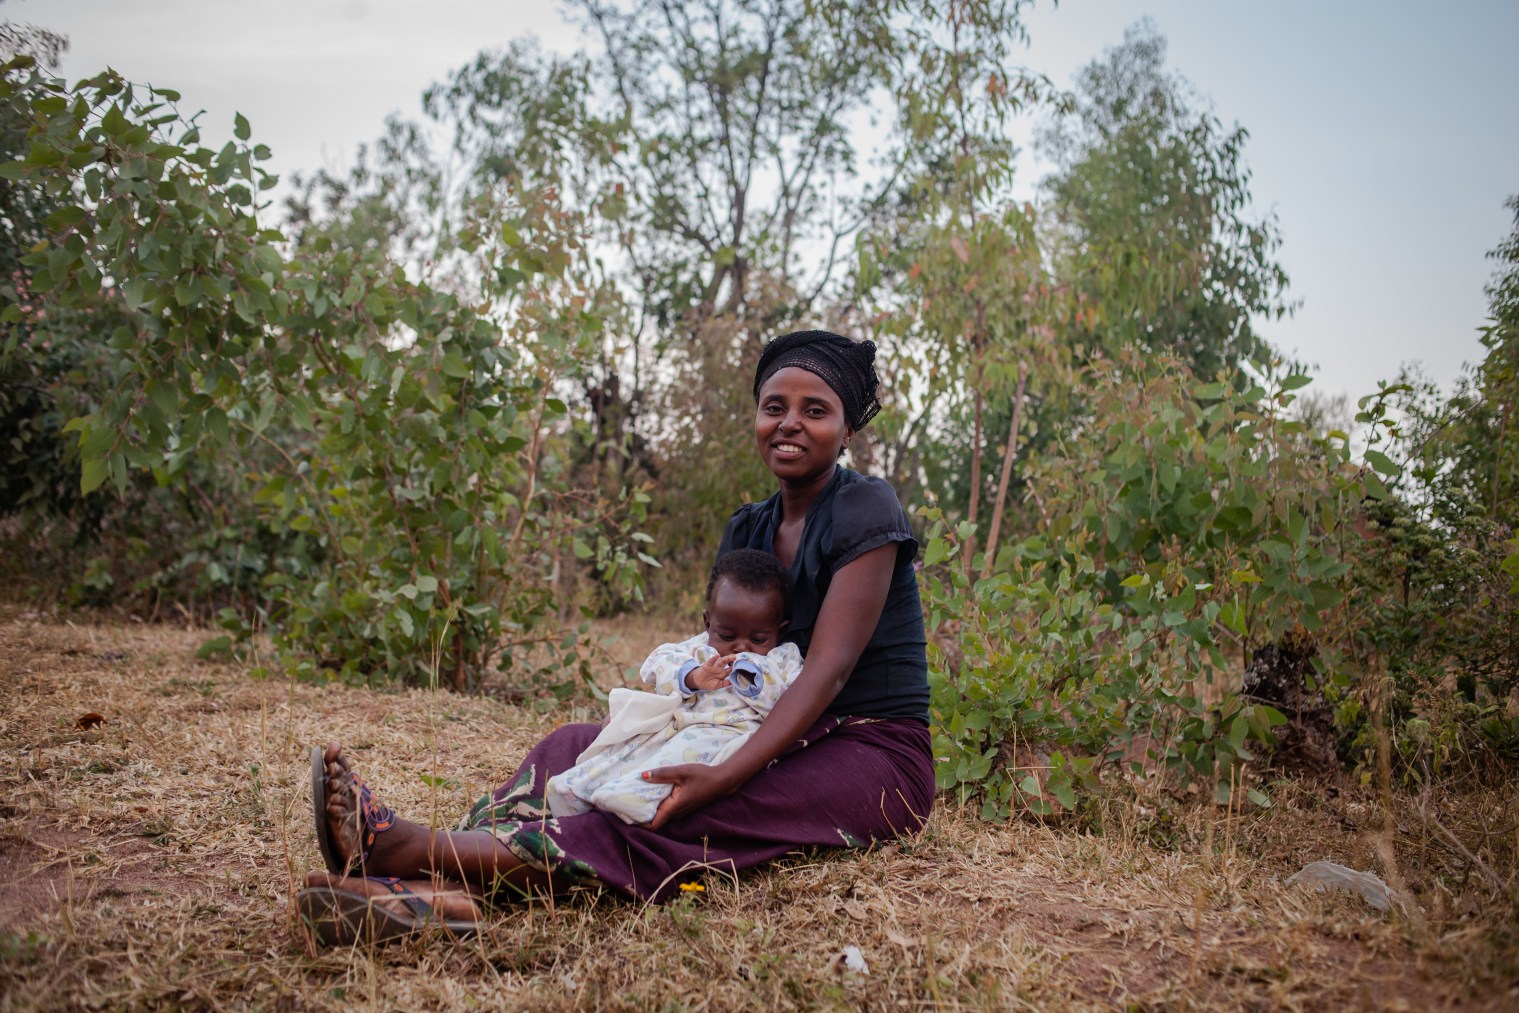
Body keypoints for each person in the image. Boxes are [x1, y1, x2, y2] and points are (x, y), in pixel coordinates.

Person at [298, 328, 933, 945]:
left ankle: (415, 851)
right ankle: (444, 879)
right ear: (757, 419)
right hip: (753, 725)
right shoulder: (749, 531)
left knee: (677, 802)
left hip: (867, 751)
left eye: (815, 410)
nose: (790, 422)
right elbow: (714, 657)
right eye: (775, 407)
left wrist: (727, 774)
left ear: (848, 430)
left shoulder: (865, 509)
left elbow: (829, 671)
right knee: (574, 747)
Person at [544, 548, 802, 825]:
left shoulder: (783, 657)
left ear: (779, 629)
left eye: (759, 638)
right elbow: (658, 661)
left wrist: (753, 672)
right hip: (674, 724)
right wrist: (692, 676)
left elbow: (790, 702)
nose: (741, 646)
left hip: (723, 736)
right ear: (708, 622)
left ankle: (633, 798)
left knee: (670, 762)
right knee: (625, 754)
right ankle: (574, 790)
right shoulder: (699, 647)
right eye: (727, 635)